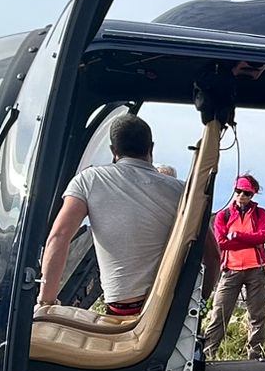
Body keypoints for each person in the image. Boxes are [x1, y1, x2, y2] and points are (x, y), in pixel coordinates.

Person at [37, 114, 186, 316]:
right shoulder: (181, 190)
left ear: (113, 150)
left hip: (122, 310)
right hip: (170, 311)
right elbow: (210, 254)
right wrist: (201, 300)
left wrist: (46, 302)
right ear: (151, 148)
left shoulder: (89, 180)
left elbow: (59, 237)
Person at [202, 173, 265, 359]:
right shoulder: (222, 216)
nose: (241, 195)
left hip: (256, 269)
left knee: (257, 316)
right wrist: (248, 240)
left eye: (246, 193)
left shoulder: (260, 213)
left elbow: (262, 237)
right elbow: (221, 243)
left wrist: (236, 236)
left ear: (252, 195)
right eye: (238, 191)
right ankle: (208, 354)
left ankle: (255, 354)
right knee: (219, 314)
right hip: (231, 270)